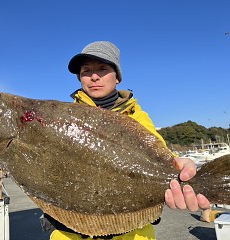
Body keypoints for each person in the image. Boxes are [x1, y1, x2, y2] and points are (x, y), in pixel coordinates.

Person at [46, 41, 210, 240]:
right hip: (69, 233)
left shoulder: (137, 117)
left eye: (102, 69)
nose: (94, 76)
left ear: (117, 77)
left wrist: (179, 168)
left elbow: (159, 156)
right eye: (86, 71)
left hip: (132, 234)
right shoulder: (64, 119)